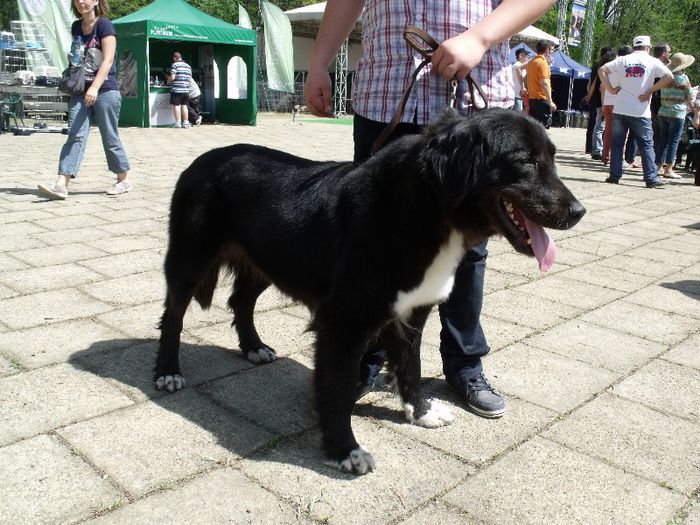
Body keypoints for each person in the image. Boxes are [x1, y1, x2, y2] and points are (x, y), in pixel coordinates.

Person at [305, 0, 557, 419]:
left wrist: (480, 36)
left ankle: (464, 363)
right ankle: (368, 358)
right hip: (386, 93)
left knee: (470, 244)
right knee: (370, 242)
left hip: (475, 102)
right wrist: (319, 63)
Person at [37, 0, 131, 200]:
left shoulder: (104, 25)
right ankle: (62, 184)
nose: (81, 2)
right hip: (80, 89)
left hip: (105, 89)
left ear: (96, 1)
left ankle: (123, 179)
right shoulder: (76, 27)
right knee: (75, 134)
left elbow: (107, 60)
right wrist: (74, 57)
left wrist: (95, 87)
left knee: (110, 136)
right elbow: (80, 56)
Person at [598, 35, 673, 188]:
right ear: (649, 47)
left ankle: (614, 175)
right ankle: (651, 178)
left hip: (621, 107)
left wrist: (611, 89)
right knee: (646, 145)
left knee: (617, 143)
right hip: (640, 110)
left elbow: (602, 70)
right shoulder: (653, 61)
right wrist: (650, 91)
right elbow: (669, 76)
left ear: (634, 46)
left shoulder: (622, 60)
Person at [655, 52, 694, 179]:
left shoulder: (665, 77)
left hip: (663, 112)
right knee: (673, 142)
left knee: (663, 141)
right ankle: (668, 169)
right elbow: (690, 97)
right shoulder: (684, 79)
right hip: (677, 113)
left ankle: (658, 167)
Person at [601, 45, 637, 167]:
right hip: (618, 102)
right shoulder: (624, 66)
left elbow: (602, 85)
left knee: (608, 131)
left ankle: (606, 156)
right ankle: (619, 159)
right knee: (621, 133)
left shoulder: (610, 66)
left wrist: (608, 92)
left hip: (607, 101)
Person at [585, 47, 614, 159]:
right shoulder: (607, 70)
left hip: (596, 99)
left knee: (594, 124)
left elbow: (591, 83)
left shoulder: (596, 66)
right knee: (600, 126)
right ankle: (597, 150)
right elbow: (601, 86)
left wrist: (589, 94)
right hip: (603, 99)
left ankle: (591, 148)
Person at [526, 39, 557, 128]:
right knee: (542, 130)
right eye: (551, 50)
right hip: (542, 99)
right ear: (547, 50)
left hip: (532, 99)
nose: (552, 52)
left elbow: (525, 78)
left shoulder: (531, 62)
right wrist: (550, 101)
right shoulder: (543, 63)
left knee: (533, 129)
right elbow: (544, 84)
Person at [651, 42, 672, 147]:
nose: (670, 54)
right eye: (669, 52)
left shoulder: (651, 63)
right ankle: (657, 156)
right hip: (657, 101)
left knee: (657, 129)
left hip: (656, 100)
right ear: (663, 53)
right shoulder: (659, 66)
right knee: (658, 129)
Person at [170, 52, 192, 128]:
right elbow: (189, 78)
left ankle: (178, 123)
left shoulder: (175, 65)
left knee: (177, 106)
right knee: (185, 106)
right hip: (186, 90)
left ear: (174, 58)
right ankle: (186, 122)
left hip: (177, 90)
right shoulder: (188, 66)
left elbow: (173, 78)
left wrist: (168, 79)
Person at [512, 48, 529, 112]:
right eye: (526, 55)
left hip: (519, 95)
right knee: (518, 117)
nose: (527, 57)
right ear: (520, 55)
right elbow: (519, 72)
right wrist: (523, 87)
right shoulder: (517, 65)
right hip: (517, 95)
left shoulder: (518, 65)